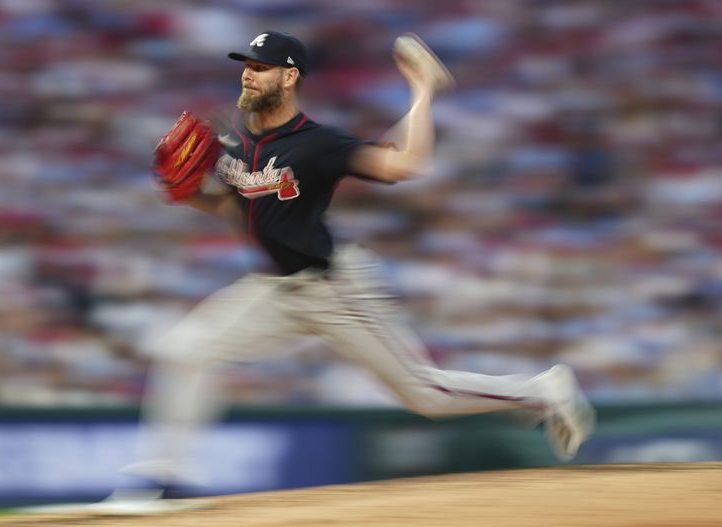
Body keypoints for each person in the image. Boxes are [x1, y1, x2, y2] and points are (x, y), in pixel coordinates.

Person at [99, 31, 595, 514]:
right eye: (246, 67)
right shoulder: (236, 144)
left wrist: (422, 92)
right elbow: (239, 208)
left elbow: (406, 164)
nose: (247, 76)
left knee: (424, 394)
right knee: (185, 350)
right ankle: (160, 479)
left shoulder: (317, 143)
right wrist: (188, 195)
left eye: (259, 68)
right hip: (274, 289)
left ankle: (544, 390)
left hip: (333, 288)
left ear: (289, 77)